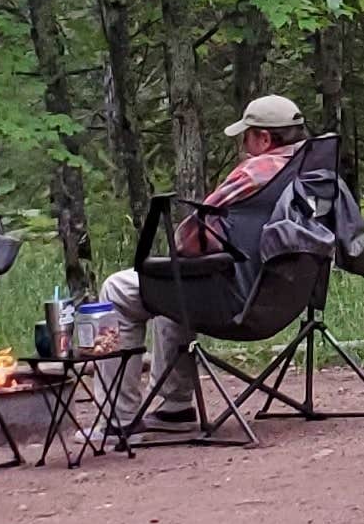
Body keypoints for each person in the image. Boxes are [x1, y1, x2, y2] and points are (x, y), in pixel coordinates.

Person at [100, 92, 304, 424]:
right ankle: (175, 405)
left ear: (265, 138)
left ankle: (116, 420)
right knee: (172, 288)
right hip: (282, 298)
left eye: (246, 136)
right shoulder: (314, 170)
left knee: (118, 290)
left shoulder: (257, 172)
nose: (244, 145)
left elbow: (189, 236)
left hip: (234, 299)